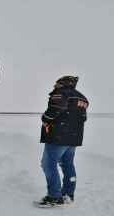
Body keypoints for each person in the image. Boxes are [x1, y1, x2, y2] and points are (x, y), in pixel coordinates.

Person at [37, 75, 89, 207]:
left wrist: (44, 118)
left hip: (58, 137)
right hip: (74, 138)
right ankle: (68, 194)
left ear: (64, 83)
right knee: (68, 165)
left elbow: (55, 110)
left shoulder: (61, 93)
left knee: (48, 164)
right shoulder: (83, 98)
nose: (55, 85)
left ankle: (54, 196)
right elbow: (83, 118)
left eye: (58, 83)